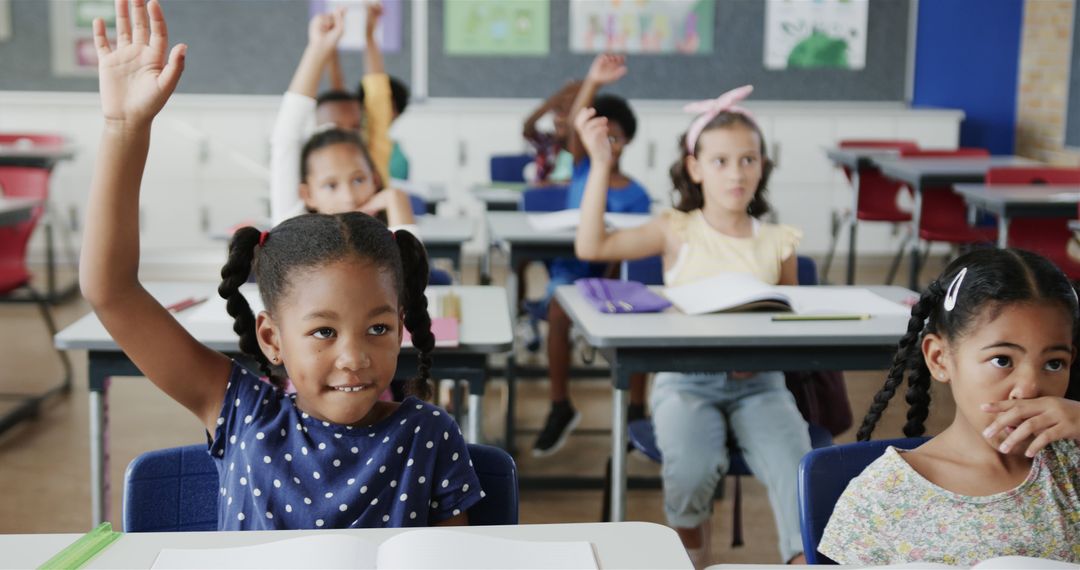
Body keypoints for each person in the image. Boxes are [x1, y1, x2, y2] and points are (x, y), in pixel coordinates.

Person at [83, 0, 481, 529]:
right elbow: (110, 290)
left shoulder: (428, 434)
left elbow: (455, 559)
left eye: (379, 327)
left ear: (402, 325)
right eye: (322, 332)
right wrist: (123, 128)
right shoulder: (243, 412)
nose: (354, 357)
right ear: (272, 337)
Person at [572, 85, 808, 566]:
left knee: (799, 472)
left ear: (763, 165)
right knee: (692, 469)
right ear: (695, 168)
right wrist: (600, 164)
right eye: (720, 161)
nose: (737, 173)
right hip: (686, 384)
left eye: (748, 159)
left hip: (761, 385)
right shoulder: (674, 229)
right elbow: (591, 247)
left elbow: (791, 323)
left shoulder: (779, 241)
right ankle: (693, 559)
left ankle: (800, 558)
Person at [819, 248, 1080, 565]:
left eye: (1053, 363)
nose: (1029, 388)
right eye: (1002, 360)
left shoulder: (1071, 465)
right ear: (940, 359)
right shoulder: (882, 497)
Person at [532, 54, 651, 458]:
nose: (608, 144)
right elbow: (580, 118)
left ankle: (637, 411)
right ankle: (560, 404)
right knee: (558, 312)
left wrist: (610, 283)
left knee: (641, 325)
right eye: (601, 136)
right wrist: (593, 81)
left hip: (612, 274)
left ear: (628, 141)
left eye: (615, 138)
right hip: (569, 271)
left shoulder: (636, 193)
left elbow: (632, 253)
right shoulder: (583, 167)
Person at [270, 5, 400, 226]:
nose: (348, 197)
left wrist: (368, 36)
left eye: (359, 179)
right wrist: (318, 49)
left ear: (375, 180)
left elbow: (378, 101)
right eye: (331, 185)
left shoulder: (370, 158)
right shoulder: (297, 228)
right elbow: (286, 136)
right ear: (307, 193)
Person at [522, 80, 580, 185]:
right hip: (545, 197)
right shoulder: (548, 143)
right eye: (558, 112)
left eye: (568, 113)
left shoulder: (586, 147)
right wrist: (554, 100)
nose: (561, 119)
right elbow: (528, 127)